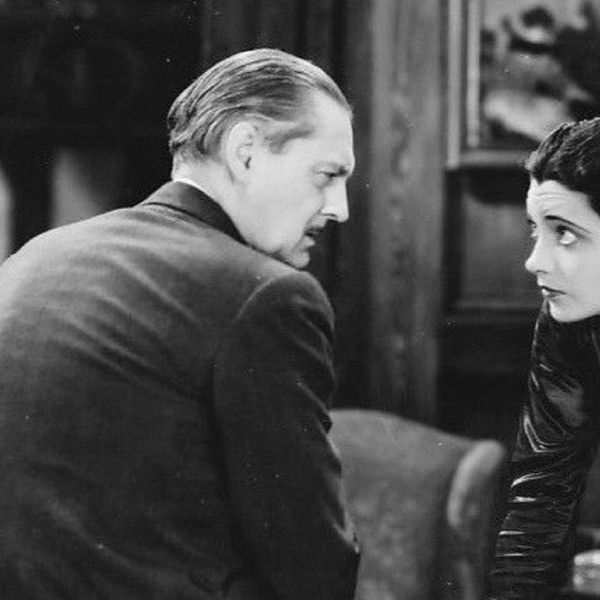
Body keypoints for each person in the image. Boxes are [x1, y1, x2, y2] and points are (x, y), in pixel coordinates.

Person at [0, 48, 359, 599]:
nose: (340, 208)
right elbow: (315, 571)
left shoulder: (35, 256)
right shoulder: (268, 295)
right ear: (245, 152)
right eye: (327, 175)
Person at [491, 116, 600, 600]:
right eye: (536, 230)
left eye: (566, 234)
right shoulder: (567, 322)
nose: (534, 261)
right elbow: (539, 499)